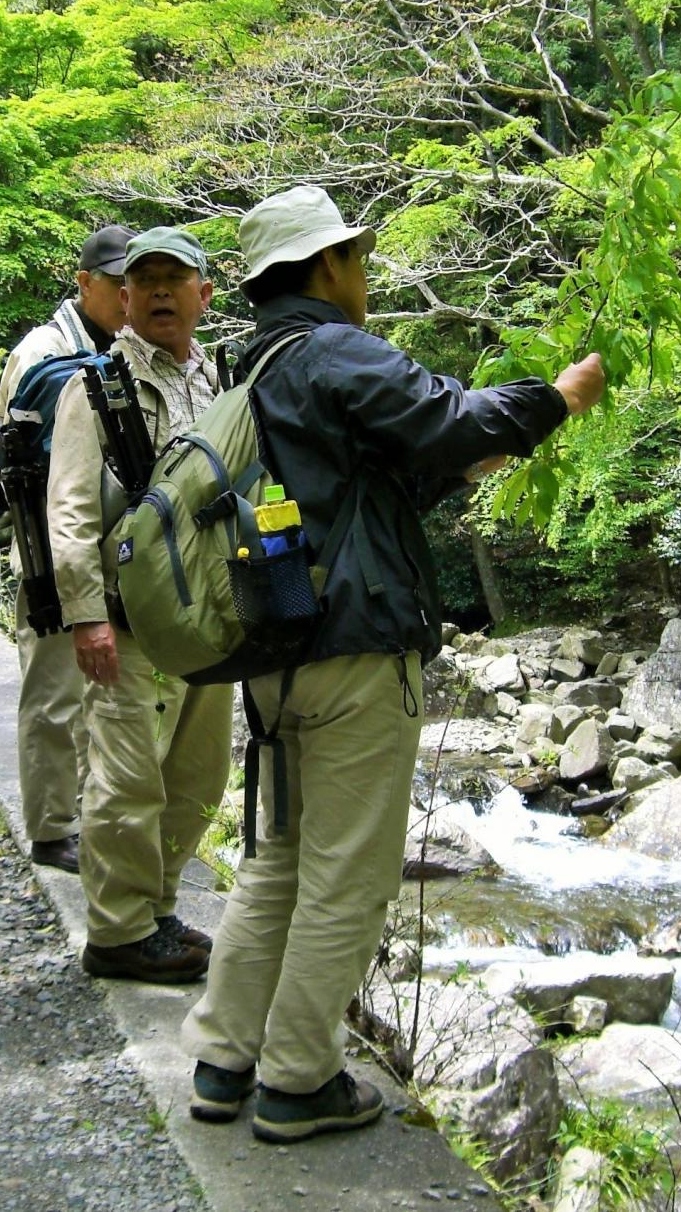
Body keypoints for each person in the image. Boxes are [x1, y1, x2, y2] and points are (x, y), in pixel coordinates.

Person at [179, 186, 606, 1139]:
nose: (363, 274)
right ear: (326, 268)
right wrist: (557, 398)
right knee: (349, 874)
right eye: (356, 258)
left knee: (279, 860)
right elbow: (450, 421)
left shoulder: (252, 368)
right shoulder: (332, 348)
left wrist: (468, 456)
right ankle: (296, 1080)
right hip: (356, 652)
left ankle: (222, 1062)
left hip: (277, 649)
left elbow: (391, 479)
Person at [44, 227, 231, 983]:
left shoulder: (219, 383)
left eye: (173, 280)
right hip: (127, 621)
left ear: (203, 296)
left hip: (208, 620)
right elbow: (69, 513)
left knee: (197, 778)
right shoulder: (91, 387)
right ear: (120, 298)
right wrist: (85, 615)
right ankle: (117, 933)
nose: (158, 292)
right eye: (143, 280)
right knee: (125, 780)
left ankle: (155, 909)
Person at [0, 224, 134, 874]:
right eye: (117, 283)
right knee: (52, 696)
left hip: (111, 555)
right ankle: (52, 830)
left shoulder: (126, 348)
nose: (130, 296)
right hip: (52, 556)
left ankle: (89, 816)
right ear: (84, 283)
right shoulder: (41, 351)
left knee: (101, 698)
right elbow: (14, 460)